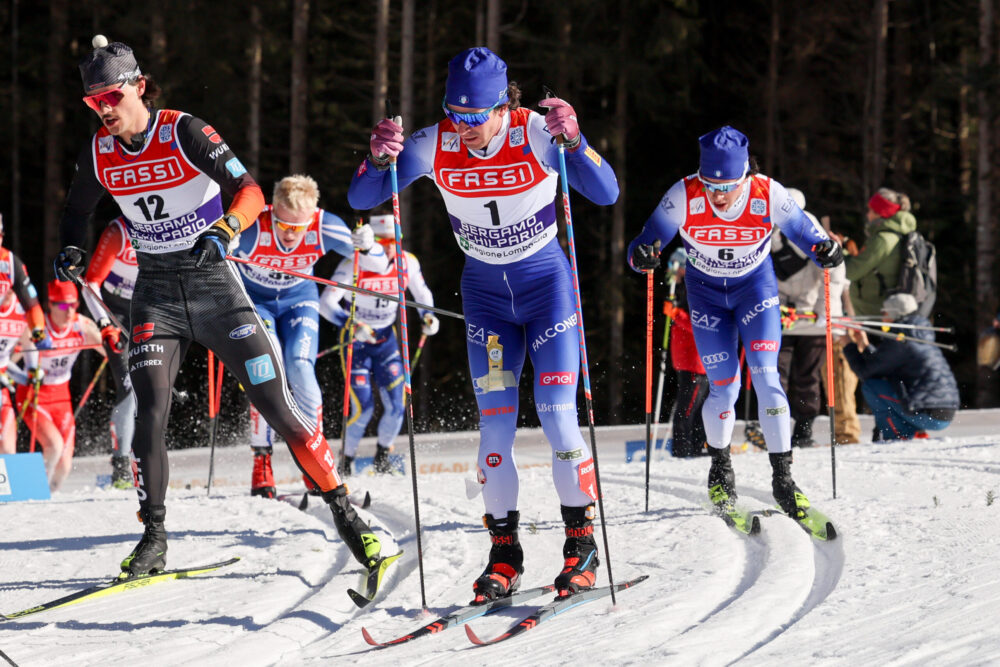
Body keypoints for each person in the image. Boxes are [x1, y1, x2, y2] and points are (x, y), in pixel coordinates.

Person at [54, 37, 384, 578]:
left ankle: (350, 522)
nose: (104, 109)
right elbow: (76, 211)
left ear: (138, 86)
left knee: (279, 408)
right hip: (156, 296)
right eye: (93, 102)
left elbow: (249, 191)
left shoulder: (184, 130)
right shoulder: (99, 152)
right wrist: (71, 248)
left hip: (215, 289)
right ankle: (154, 539)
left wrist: (227, 227)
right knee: (148, 419)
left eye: (111, 95)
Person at [348, 47, 619, 600]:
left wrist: (577, 143)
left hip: (548, 294)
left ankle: (581, 545)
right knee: (494, 433)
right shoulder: (434, 142)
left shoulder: (537, 131)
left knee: (556, 417)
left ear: (504, 105)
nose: (464, 128)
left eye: (476, 116)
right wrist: (377, 161)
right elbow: (361, 196)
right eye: (455, 113)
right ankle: (505, 556)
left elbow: (607, 192)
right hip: (488, 304)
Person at [628, 126, 843, 523]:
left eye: (727, 186)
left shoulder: (767, 192)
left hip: (754, 290)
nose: (718, 195)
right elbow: (646, 239)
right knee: (723, 387)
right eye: (711, 185)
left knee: (765, 376)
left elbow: (808, 233)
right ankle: (721, 471)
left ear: (745, 175)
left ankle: (783, 478)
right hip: (707, 294)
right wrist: (641, 255)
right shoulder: (684, 194)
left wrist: (825, 249)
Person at [233, 175, 388, 498]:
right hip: (257, 303)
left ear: (313, 215)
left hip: (298, 301)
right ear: (272, 210)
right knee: (268, 369)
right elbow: (214, 256)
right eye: (284, 225)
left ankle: (314, 461)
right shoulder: (253, 225)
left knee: (300, 368)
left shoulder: (324, 225)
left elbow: (377, 263)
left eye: (299, 228)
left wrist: (368, 244)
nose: (291, 236)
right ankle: (262, 461)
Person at [319, 213, 438, 476]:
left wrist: (427, 315)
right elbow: (326, 303)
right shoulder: (353, 263)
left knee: (398, 404)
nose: (386, 246)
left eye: (392, 241)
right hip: (356, 342)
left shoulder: (407, 262)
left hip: (386, 341)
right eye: (380, 241)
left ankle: (383, 456)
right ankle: (346, 461)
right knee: (363, 408)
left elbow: (421, 292)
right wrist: (351, 325)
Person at [771, 189, 849, 448]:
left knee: (807, 377)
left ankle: (803, 430)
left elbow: (833, 274)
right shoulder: (766, 229)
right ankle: (775, 428)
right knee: (774, 375)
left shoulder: (809, 229)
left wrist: (824, 313)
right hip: (781, 320)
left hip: (811, 317)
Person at [12, 281, 104, 490]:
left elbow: (111, 351)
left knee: (64, 464)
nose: (69, 311)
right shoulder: (37, 328)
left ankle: (49, 496)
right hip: (34, 396)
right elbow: (8, 358)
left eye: (73, 305)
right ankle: (34, 490)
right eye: (62, 306)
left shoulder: (82, 326)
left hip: (62, 399)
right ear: (50, 305)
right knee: (54, 446)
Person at [842, 293, 959, 441]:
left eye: (884, 312)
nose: (882, 316)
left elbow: (865, 372)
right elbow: (882, 363)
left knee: (871, 386)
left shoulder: (901, 339)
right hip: (943, 412)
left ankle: (897, 435)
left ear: (894, 313)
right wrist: (864, 346)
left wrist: (847, 344)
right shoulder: (917, 335)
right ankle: (915, 431)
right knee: (886, 386)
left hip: (929, 414)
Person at [82, 216, 138, 488]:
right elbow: (90, 283)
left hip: (146, 312)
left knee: (154, 382)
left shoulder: (167, 229)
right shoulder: (118, 232)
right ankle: (121, 466)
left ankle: (147, 458)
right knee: (128, 383)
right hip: (113, 313)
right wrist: (104, 323)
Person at [0, 213, 48, 454]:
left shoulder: (10, 262)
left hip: (3, 374)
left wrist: (39, 330)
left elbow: (33, 306)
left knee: (8, 447)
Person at [660, 247, 708, 458]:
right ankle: (689, 449)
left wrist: (676, 314)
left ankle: (687, 449)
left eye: (676, 267)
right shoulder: (678, 290)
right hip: (685, 362)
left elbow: (699, 324)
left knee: (688, 411)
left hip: (696, 363)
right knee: (689, 410)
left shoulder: (696, 290)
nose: (673, 272)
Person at [839, 188, 916, 317]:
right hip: (885, 310)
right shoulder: (898, 235)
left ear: (881, 213)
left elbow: (850, 271)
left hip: (875, 313)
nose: (867, 215)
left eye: (870, 210)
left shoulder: (882, 240)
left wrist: (838, 251)